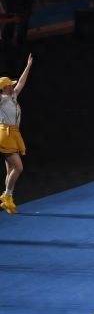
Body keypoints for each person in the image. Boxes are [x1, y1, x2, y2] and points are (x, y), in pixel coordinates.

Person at [0, 55, 32, 215]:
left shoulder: (13, 96)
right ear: (4, 87)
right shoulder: (2, 99)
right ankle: (7, 195)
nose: (13, 86)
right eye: (10, 85)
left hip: (13, 134)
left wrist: (28, 66)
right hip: (5, 135)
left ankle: (8, 201)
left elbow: (21, 82)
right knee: (18, 167)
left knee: (11, 169)